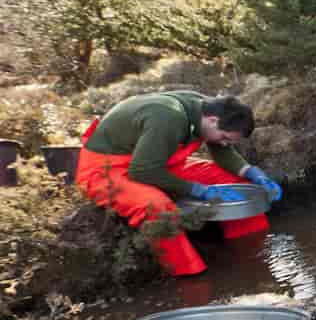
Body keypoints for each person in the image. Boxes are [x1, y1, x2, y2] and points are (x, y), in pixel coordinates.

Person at [75, 91, 283, 276]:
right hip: (106, 169)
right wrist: (197, 190)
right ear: (212, 120)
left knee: (232, 181)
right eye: (225, 137)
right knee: (158, 208)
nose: (224, 144)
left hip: (157, 160)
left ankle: (251, 249)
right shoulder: (168, 117)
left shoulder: (204, 109)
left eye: (229, 142)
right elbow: (142, 172)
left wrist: (253, 173)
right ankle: (190, 278)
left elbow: (221, 151)